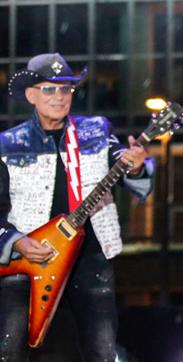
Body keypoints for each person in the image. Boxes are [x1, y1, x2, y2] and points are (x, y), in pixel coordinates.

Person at [0, 53, 154, 361]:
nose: (59, 96)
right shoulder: (8, 143)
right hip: (27, 259)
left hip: (91, 258)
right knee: (10, 350)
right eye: (49, 89)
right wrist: (16, 242)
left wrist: (136, 167)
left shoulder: (95, 130)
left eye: (66, 89)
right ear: (31, 95)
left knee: (101, 351)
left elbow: (123, 164)